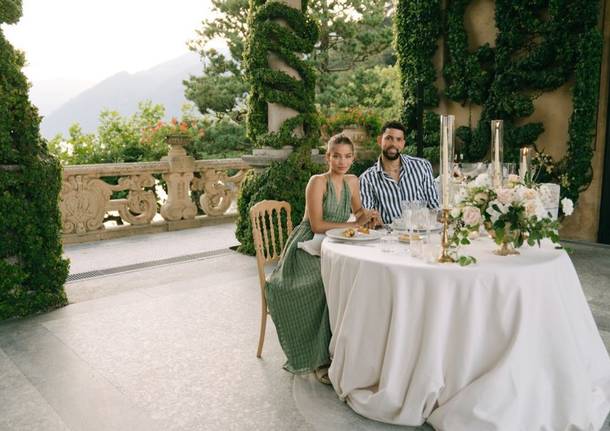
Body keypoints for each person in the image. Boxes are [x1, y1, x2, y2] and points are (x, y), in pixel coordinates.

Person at [265, 134, 375, 383]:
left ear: (353, 158)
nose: (342, 161)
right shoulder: (317, 182)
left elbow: (357, 211)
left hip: (335, 242)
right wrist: (354, 224)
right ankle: (319, 359)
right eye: (336, 156)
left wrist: (366, 215)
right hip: (305, 246)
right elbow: (316, 224)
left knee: (348, 278)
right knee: (322, 282)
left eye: (347, 156)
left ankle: (348, 352)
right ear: (328, 157)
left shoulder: (352, 181)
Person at [360, 120, 440, 225]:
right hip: (387, 237)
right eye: (389, 138)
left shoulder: (422, 167)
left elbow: (434, 206)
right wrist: (371, 219)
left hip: (418, 235)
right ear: (379, 140)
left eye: (398, 139)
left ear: (403, 144)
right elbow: (368, 218)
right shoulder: (367, 179)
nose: (393, 144)